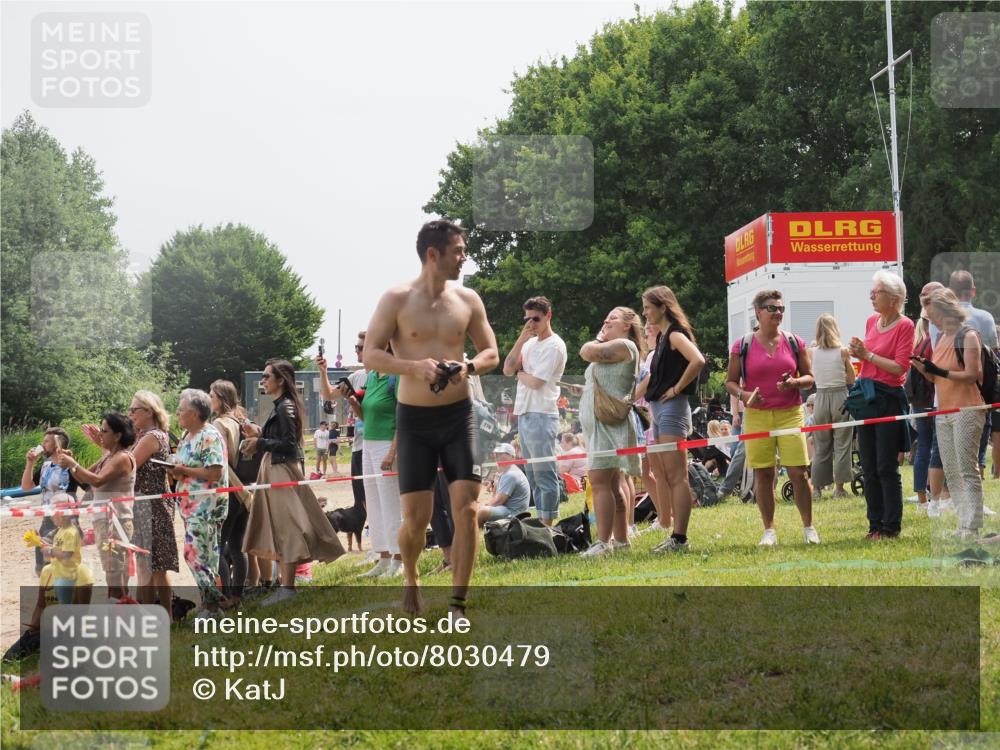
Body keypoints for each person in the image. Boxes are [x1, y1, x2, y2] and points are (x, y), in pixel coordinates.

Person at [363, 219, 499, 617]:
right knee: (416, 520)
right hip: (415, 422)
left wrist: (468, 367)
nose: (464, 257)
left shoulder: (469, 299)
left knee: (468, 508)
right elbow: (371, 353)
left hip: (460, 417)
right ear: (433, 254)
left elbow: (492, 353)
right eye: (458, 250)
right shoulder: (397, 299)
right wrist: (413, 367)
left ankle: (459, 601)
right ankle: (411, 575)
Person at [243, 360, 346, 605]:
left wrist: (260, 442)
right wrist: (260, 434)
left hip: (282, 471)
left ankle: (287, 587)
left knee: (288, 527)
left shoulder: (285, 407)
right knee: (283, 526)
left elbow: (290, 445)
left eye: (268, 376)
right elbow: (284, 439)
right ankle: (285, 584)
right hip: (276, 469)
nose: (263, 380)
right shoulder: (281, 406)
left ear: (281, 380)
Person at [725, 290, 818, 546]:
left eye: (780, 308)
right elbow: (730, 382)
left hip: (790, 413)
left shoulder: (793, 341)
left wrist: (795, 382)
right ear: (758, 312)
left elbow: (810, 377)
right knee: (763, 474)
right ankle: (769, 531)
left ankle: (809, 528)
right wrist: (744, 395)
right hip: (756, 416)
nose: (778, 313)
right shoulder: (742, 344)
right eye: (771, 308)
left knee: (798, 473)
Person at [911, 289, 986, 539]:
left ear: (946, 311)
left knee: (967, 468)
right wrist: (923, 369)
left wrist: (939, 372)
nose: (930, 321)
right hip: (943, 412)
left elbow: (972, 375)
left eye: (933, 315)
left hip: (967, 409)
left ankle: (972, 526)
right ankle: (962, 524)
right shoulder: (941, 338)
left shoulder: (968, 336)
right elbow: (937, 377)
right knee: (952, 471)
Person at [847, 271, 915, 540]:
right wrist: (859, 354)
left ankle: (890, 527)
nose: (871, 296)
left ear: (895, 298)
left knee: (886, 465)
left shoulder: (905, 325)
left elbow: (900, 367)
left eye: (877, 292)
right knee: (868, 465)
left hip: (888, 398)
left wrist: (868, 355)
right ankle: (874, 525)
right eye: (872, 291)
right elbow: (867, 363)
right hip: (867, 398)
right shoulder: (871, 320)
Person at [639, 285, 705, 553]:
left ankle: (680, 538)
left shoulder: (676, 335)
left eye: (647, 307)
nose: (645, 313)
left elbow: (697, 360)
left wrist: (677, 389)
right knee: (666, 474)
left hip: (673, 409)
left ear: (663, 307)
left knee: (677, 476)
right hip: (659, 410)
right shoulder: (663, 338)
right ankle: (675, 535)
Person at [578, 306, 646, 557]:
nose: (606, 321)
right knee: (614, 483)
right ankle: (621, 540)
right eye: (605, 318)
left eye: (613, 318)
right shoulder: (618, 348)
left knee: (599, 483)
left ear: (627, 325)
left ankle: (603, 542)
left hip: (606, 427)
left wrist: (598, 337)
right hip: (601, 427)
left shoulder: (625, 347)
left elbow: (586, 351)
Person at [55, 412, 137, 599]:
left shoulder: (122, 457)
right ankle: (120, 611)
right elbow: (85, 481)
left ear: (117, 435)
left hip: (116, 522)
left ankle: (121, 614)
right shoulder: (109, 457)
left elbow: (97, 481)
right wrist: (70, 464)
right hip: (105, 521)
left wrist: (73, 463)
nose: (100, 434)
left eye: (104, 430)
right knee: (113, 573)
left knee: (115, 574)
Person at [502, 296, 567, 527]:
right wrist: (521, 339)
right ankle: (541, 523)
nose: (531, 323)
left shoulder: (555, 345)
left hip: (542, 413)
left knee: (544, 473)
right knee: (532, 474)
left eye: (536, 319)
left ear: (548, 316)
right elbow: (508, 369)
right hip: (526, 412)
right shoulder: (529, 343)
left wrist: (521, 373)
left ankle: (547, 525)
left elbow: (537, 382)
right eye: (527, 319)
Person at [167, 389, 230, 618]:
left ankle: (215, 603)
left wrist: (183, 470)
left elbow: (214, 472)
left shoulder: (209, 435)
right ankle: (210, 605)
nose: (177, 413)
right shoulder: (186, 436)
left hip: (206, 506)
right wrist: (175, 470)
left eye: (181, 410)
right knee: (202, 556)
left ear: (194, 413)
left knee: (194, 554)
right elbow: (186, 468)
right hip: (189, 505)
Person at [341, 348, 403, 579]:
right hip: (368, 444)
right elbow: (368, 417)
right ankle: (383, 556)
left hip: (387, 444)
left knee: (390, 504)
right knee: (374, 504)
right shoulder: (372, 377)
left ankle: (399, 560)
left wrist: (392, 452)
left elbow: (403, 417)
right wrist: (356, 406)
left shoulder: (396, 376)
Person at [318, 332, 370, 565]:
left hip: (378, 444)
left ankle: (385, 548)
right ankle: (374, 549)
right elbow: (329, 393)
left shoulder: (388, 376)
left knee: (378, 499)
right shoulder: (356, 376)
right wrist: (323, 370)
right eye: (356, 346)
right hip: (358, 447)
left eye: (360, 347)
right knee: (361, 501)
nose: (357, 351)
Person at [127, 390, 178, 617]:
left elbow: (129, 466)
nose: (130, 414)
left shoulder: (151, 437)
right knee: (146, 566)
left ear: (149, 411)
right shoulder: (141, 435)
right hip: (143, 506)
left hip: (153, 507)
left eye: (134, 409)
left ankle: (162, 616)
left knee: (154, 567)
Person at [949, 270, 998, 479]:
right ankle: (979, 476)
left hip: (947, 389)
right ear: (973, 291)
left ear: (951, 291)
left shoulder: (943, 319)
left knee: (947, 444)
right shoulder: (985, 318)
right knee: (979, 437)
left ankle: (944, 494)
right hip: (978, 390)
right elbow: (994, 352)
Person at [209, 379, 253, 607]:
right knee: (237, 547)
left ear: (222, 399)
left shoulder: (218, 424)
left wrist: (237, 491)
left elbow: (222, 463)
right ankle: (238, 596)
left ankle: (226, 596)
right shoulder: (241, 420)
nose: (209, 399)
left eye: (212, 395)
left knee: (218, 548)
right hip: (245, 488)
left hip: (230, 489)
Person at [809, 313, 856, 499]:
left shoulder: (810, 352)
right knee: (842, 444)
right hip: (840, 397)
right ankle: (839, 488)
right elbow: (851, 378)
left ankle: (817, 489)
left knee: (821, 445)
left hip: (819, 397)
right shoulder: (843, 351)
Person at [20, 427, 78, 575]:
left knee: (61, 563)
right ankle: (47, 595)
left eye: (46, 441)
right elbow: (26, 487)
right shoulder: (46, 465)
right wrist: (30, 463)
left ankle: (61, 595)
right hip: (48, 518)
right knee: (42, 566)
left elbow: (88, 486)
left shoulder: (69, 465)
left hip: (65, 520)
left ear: (57, 444)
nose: (43, 444)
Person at [909, 287, 939, 513]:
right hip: (932, 400)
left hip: (920, 402)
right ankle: (936, 497)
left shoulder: (920, 341)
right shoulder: (931, 342)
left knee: (923, 448)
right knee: (936, 448)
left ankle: (922, 497)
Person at [476, 443, 531, 526]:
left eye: (501, 454)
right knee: (479, 507)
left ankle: (470, 532)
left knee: (482, 511)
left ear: (512, 456)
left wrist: (484, 506)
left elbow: (498, 502)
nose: (497, 456)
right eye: (496, 454)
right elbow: (496, 498)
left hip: (514, 513)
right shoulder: (507, 472)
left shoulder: (510, 474)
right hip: (509, 509)